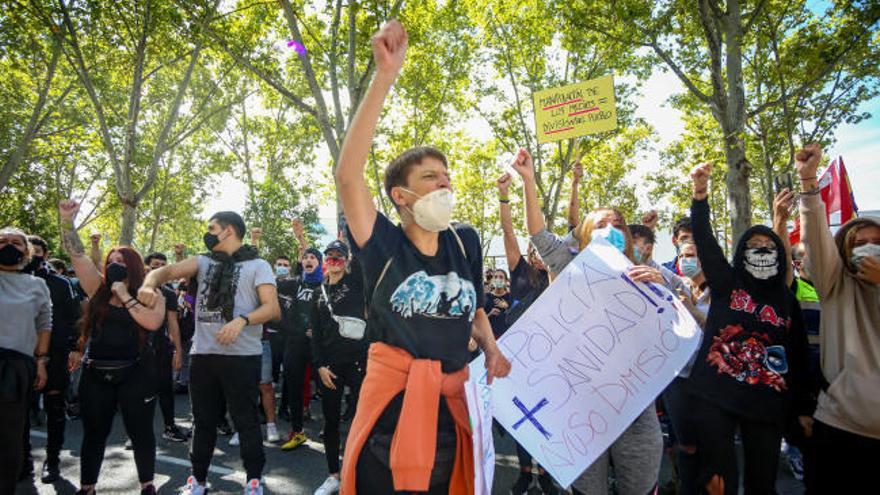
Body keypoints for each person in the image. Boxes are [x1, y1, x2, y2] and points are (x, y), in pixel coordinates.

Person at [335, 20, 510, 494]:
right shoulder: (384, 244)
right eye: (432, 177)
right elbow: (349, 177)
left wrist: (491, 349)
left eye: (447, 176)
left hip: (452, 412)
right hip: (392, 413)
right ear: (401, 196)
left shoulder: (465, 240)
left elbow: (473, 307)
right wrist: (384, 77)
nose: (445, 184)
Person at [514, 148, 665, 495]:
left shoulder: (650, 276)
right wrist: (527, 182)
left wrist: (666, 298)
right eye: (601, 226)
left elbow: (680, 333)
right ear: (583, 237)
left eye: (617, 225)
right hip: (580, 413)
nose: (610, 230)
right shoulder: (570, 268)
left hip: (635, 413)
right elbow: (538, 232)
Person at [684, 163, 812, 495]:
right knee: (718, 483)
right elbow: (705, 240)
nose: (761, 251)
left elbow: (797, 355)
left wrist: (803, 409)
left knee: (763, 481)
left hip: (766, 403)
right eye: (753, 245)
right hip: (715, 395)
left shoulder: (786, 299)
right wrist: (700, 195)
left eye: (768, 247)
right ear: (742, 253)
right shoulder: (727, 283)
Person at [138, 211, 280, 495]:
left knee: (246, 420)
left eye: (211, 228)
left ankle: (254, 481)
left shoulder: (258, 265)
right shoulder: (203, 261)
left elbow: (272, 309)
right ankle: (198, 480)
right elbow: (163, 272)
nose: (208, 232)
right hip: (203, 356)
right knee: (202, 421)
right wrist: (148, 283)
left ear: (227, 231)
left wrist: (242, 320)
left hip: (242, 358)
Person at [57, 200, 167, 495]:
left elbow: (152, 322)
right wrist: (67, 221)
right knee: (94, 433)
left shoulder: (150, 292)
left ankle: (146, 484)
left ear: (133, 265)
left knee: (141, 432)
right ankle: (88, 486)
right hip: (98, 374)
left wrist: (123, 293)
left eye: (122, 260)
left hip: (137, 373)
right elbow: (77, 255)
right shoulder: (97, 288)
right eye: (111, 260)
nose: (114, 264)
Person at [794, 144, 880, 493]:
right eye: (860, 242)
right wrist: (808, 182)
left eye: (877, 242)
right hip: (840, 426)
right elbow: (815, 235)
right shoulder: (835, 285)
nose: (869, 248)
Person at [497, 172, 556, 494]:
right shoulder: (521, 272)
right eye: (534, 250)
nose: (538, 255)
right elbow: (508, 230)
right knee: (522, 419)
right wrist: (505, 195)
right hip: (518, 362)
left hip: (551, 364)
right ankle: (523, 472)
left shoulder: (565, 276)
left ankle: (546, 474)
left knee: (548, 419)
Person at [21, 235, 80, 484]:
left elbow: (75, 317)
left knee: (55, 410)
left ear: (45, 255)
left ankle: (52, 461)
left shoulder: (60, 283)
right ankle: (23, 462)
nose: (33, 256)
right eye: (29, 251)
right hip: (19, 357)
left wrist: (76, 347)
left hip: (55, 355)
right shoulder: (10, 280)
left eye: (38, 252)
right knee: (19, 411)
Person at [311, 240, 369, 495]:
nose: (334, 261)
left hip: (358, 363)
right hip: (330, 367)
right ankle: (333, 474)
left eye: (339, 257)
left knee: (361, 419)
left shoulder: (357, 284)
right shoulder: (317, 293)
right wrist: (320, 366)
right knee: (331, 422)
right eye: (330, 257)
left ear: (346, 261)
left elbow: (365, 259)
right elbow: (316, 336)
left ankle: (357, 471)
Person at [0, 228, 50, 494]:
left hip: (16, 369)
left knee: (10, 441)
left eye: (16, 243)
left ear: (26, 252)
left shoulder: (36, 285)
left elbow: (44, 325)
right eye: (3, 241)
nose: (9, 246)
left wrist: (41, 361)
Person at [276, 246, 323, 451]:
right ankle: (297, 432)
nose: (309, 260)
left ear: (320, 263)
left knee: (328, 388)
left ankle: (332, 432)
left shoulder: (326, 285)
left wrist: (318, 332)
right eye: (306, 257)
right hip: (294, 344)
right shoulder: (292, 284)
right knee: (293, 388)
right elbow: (270, 288)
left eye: (313, 257)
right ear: (301, 262)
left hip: (319, 346)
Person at [484, 269, 511, 339]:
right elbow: (480, 320)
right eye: (495, 277)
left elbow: (516, 317)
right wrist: (490, 314)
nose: (498, 279)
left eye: (501, 277)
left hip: (507, 337)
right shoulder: (486, 297)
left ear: (505, 281)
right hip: (490, 338)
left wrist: (507, 307)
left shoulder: (510, 297)